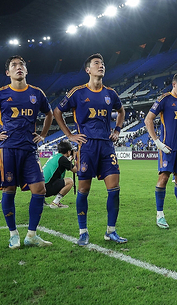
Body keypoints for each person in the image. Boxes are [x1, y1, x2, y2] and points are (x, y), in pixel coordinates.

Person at [0, 55, 54, 249]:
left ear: (26, 71)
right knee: (9, 191)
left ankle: (31, 235)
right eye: (14, 65)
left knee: (40, 190)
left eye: (21, 65)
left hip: (29, 148)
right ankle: (13, 234)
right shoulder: (0, 93)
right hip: (8, 149)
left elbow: (49, 113)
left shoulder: (37, 93)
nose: (18, 67)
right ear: (8, 72)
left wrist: (44, 134)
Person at [54, 53, 127, 246]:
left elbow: (121, 111)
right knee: (84, 189)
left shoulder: (110, 93)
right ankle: (83, 231)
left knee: (114, 189)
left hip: (107, 146)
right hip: (86, 147)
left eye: (102, 63)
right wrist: (70, 135)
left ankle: (111, 231)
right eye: (96, 63)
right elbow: (57, 111)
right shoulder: (78, 92)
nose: (101, 66)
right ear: (88, 70)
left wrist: (117, 129)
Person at [144, 73, 177, 228]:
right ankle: (160, 216)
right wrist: (157, 142)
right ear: (173, 85)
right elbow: (148, 119)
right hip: (166, 148)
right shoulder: (164, 99)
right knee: (164, 178)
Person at [42, 140, 77, 208]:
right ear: (69, 151)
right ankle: (55, 202)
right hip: (47, 188)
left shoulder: (55, 156)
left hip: (39, 187)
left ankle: (41, 200)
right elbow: (75, 170)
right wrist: (75, 159)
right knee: (70, 181)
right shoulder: (63, 159)